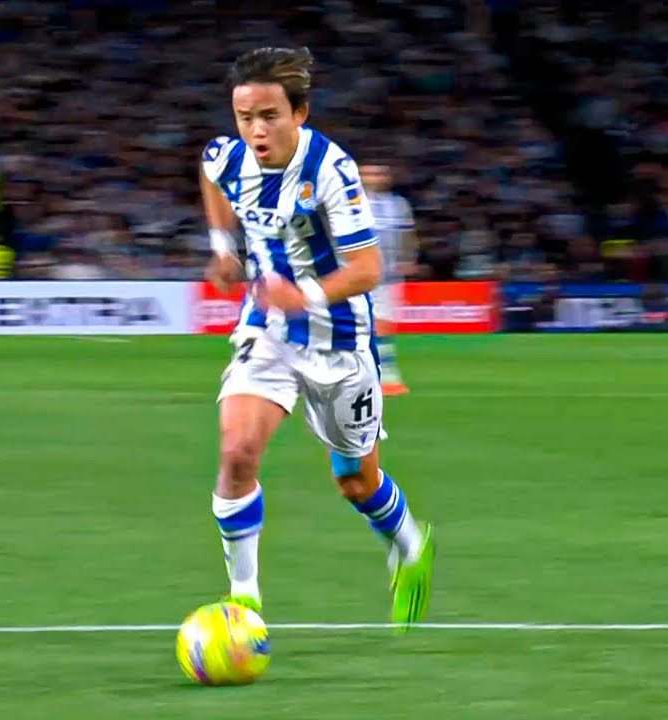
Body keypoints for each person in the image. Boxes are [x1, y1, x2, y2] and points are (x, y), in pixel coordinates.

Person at [199, 47, 434, 630]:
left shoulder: (330, 170)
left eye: (269, 116)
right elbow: (209, 171)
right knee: (237, 453)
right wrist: (223, 247)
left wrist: (301, 294)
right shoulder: (230, 157)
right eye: (245, 117)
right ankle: (244, 603)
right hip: (268, 331)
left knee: (355, 481)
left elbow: (369, 268)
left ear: (299, 113)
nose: (255, 130)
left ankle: (409, 547)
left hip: (340, 340)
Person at [359, 163, 417, 395]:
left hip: (387, 275)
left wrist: (408, 258)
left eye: (378, 173)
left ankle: (386, 374)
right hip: (354, 274)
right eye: (368, 173)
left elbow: (407, 235)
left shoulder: (398, 205)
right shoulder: (347, 202)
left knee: (384, 324)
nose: (373, 177)